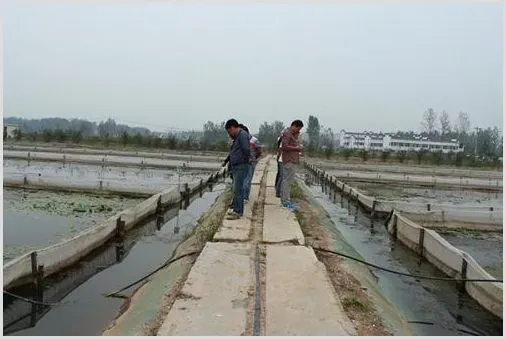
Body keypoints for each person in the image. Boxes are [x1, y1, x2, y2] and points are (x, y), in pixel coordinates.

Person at [224, 119, 250, 220]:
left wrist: (243, 161)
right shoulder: (238, 136)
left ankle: (238, 212)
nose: (229, 134)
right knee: (236, 189)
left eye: (229, 131)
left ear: (233, 127)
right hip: (237, 166)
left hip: (241, 166)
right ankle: (236, 209)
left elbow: (246, 150)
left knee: (239, 189)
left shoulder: (242, 135)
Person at [280, 120, 304, 210]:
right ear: (294, 125)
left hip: (292, 160)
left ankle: (286, 200)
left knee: (288, 181)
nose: (298, 130)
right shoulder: (287, 133)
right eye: (298, 128)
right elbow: (284, 146)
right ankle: (285, 202)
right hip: (289, 160)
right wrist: (297, 148)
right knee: (287, 181)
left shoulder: (292, 134)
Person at [239, 124, 262, 203]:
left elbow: (259, 151)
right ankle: (241, 196)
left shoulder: (254, 140)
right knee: (241, 180)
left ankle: (245, 197)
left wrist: (253, 159)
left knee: (247, 180)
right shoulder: (239, 139)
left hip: (250, 163)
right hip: (241, 163)